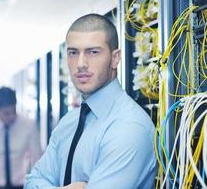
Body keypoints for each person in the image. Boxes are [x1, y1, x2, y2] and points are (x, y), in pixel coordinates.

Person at [24, 13, 156, 189]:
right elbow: (32, 182)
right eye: (73, 52)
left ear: (115, 58)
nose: (80, 63)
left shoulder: (129, 126)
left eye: (93, 52)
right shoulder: (68, 123)